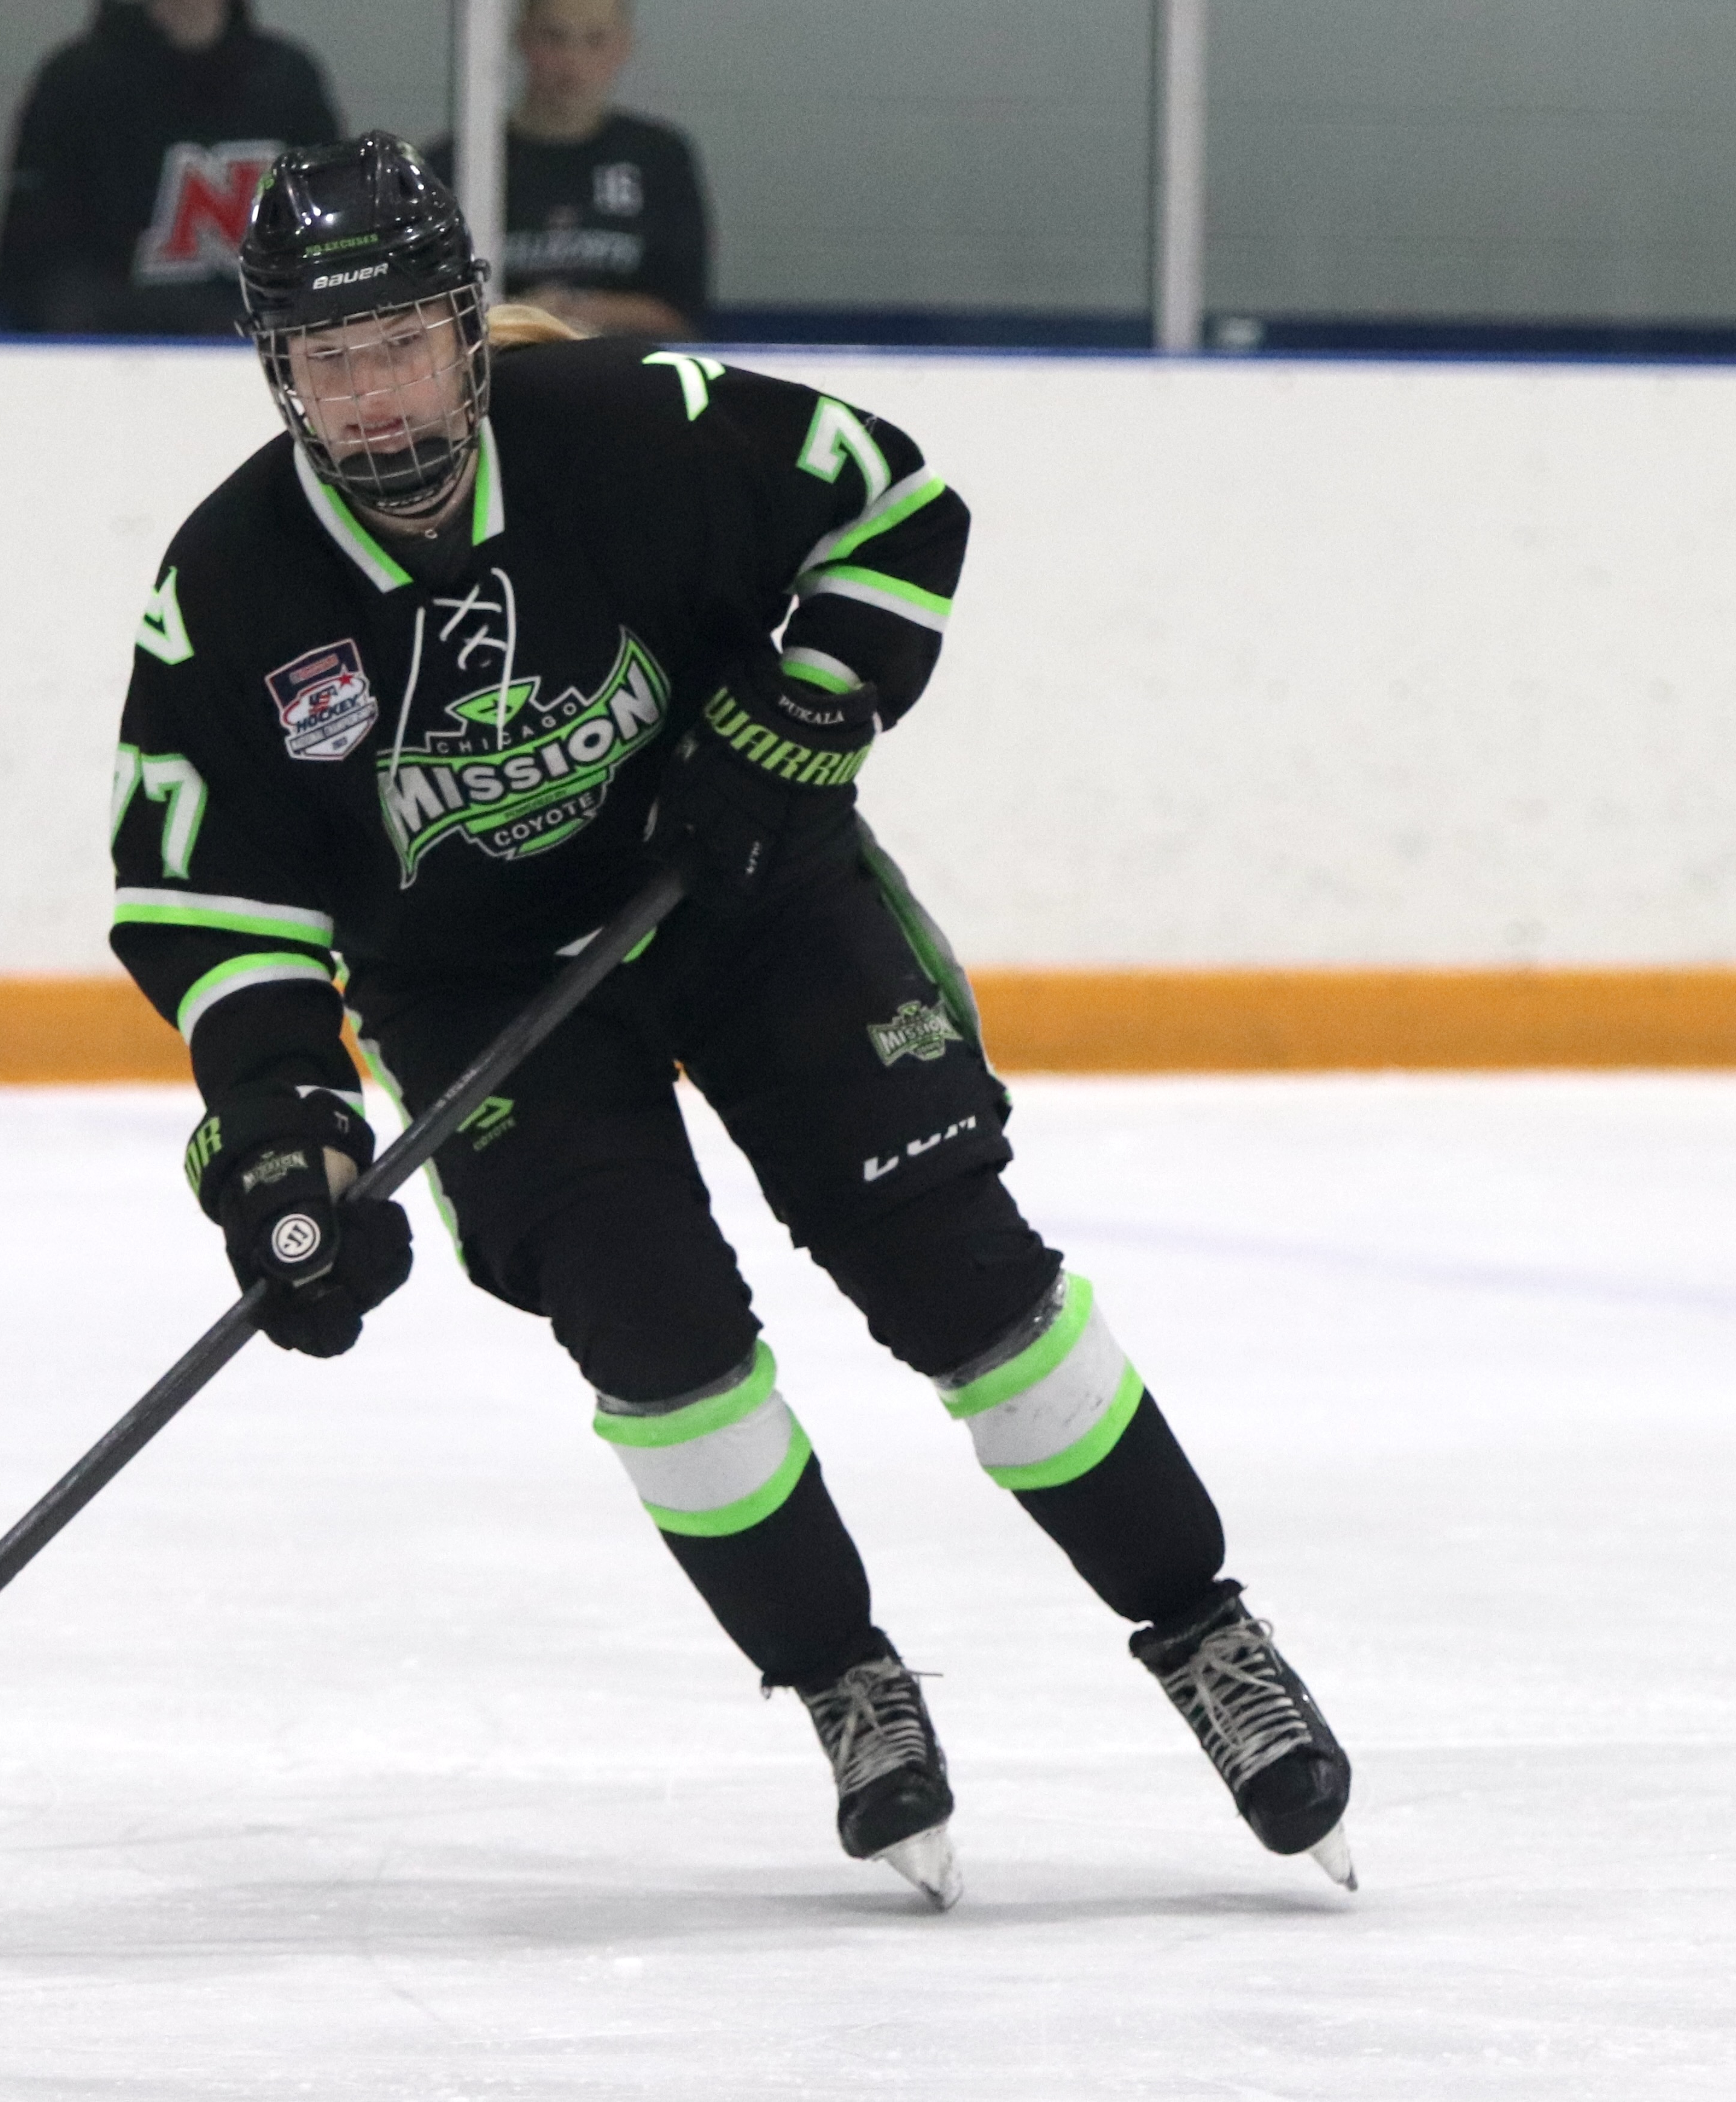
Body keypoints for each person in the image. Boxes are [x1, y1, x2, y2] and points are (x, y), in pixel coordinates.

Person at [105, 134, 1355, 1906]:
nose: (367, 400)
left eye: (393, 344)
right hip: (475, 986)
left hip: (738, 888)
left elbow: (894, 506)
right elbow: (205, 899)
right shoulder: (227, 586)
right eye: (323, 358)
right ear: (272, 369)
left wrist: (802, 706)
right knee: (654, 1339)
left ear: (465, 329)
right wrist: (280, 1126)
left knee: (958, 1280)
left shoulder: (628, 429)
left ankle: (1198, 1628)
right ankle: (841, 1678)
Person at [0, 0, 336, 335]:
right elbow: (33, 271)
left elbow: (334, 255)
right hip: (107, 365)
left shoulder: (287, 81)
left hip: (258, 368)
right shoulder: (76, 84)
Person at [428, 0, 706, 340]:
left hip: (629, 377)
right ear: (522, 39)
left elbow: (683, 313)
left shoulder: (660, 159)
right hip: (503, 376)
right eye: (554, 37)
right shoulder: (458, 164)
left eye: (595, 40)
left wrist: (570, 311)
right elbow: (430, 314)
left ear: (623, 46)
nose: (572, 61)